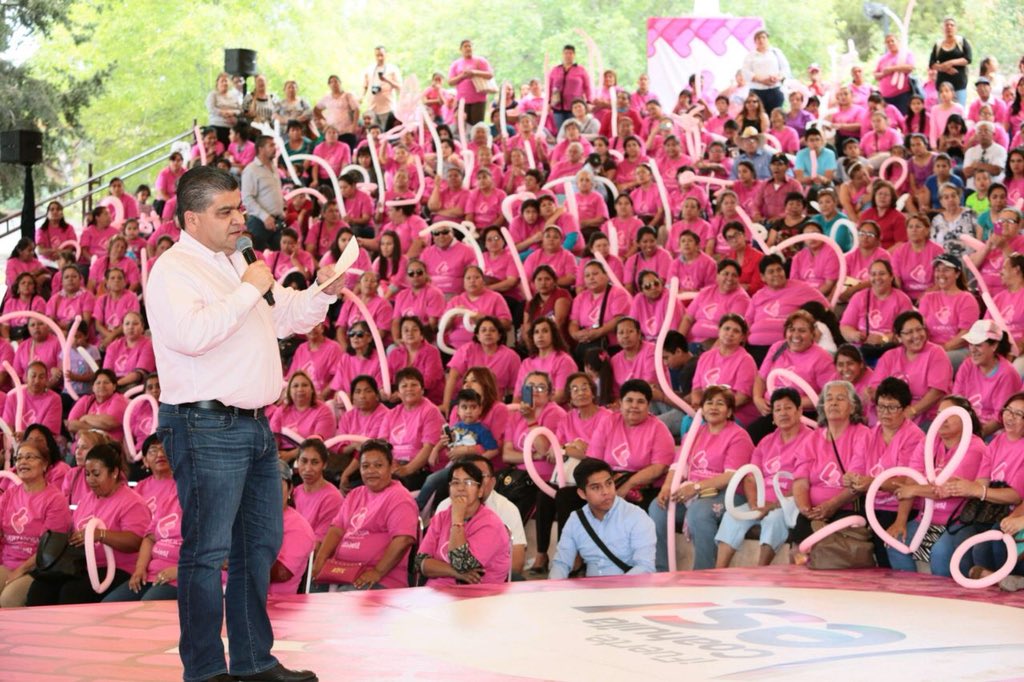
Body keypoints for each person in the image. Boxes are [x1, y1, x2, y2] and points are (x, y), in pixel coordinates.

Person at [147, 167, 344, 682]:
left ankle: (254, 661)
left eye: (239, 207)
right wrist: (249, 290)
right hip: (205, 424)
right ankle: (206, 670)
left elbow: (280, 318)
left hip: (256, 425)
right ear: (192, 218)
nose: (240, 219)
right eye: (225, 212)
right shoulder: (173, 270)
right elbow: (191, 335)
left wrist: (323, 292)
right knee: (207, 553)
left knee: (256, 547)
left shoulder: (240, 260)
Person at [25, 443, 149, 606]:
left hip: (117, 569)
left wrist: (99, 535)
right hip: (81, 565)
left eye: (96, 474)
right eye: (87, 474)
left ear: (114, 472)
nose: (90, 480)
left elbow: (137, 542)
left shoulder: (132, 502)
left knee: (72, 592)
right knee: (40, 589)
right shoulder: (88, 499)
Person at [651, 386, 754, 571]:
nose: (713, 407)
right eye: (709, 402)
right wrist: (667, 487)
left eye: (720, 403)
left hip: (728, 494)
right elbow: (678, 465)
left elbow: (731, 476)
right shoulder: (695, 433)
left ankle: (703, 574)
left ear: (729, 411)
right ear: (702, 408)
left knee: (699, 513)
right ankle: (662, 569)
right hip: (694, 491)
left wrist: (696, 487)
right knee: (658, 508)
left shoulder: (738, 436)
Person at [887, 396, 987, 577]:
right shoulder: (928, 441)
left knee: (940, 553)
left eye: (948, 414)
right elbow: (911, 480)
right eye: (939, 414)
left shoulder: (974, 446)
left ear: (965, 417)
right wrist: (900, 521)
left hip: (959, 521)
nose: (942, 419)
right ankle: (909, 593)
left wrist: (915, 490)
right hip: (925, 518)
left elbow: (950, 488)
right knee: (894, 541)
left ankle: (943, 599)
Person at [715, 387, 811, 568]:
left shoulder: (811, 440)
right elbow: (750, 476)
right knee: (732, 516)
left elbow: (803, 482)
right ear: (773, 416)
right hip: (761, 500)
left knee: (773, 519)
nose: (783, 413)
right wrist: (754, 504)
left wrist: (774, 504)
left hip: (790, 502)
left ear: (799, 411)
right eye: (778, 409)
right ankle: (718, 571)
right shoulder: (766, 441)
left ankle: (761, 569)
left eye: (788, 408)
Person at [791, 381, 872, 556]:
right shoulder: (812, 438)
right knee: (796, 553)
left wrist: (831, 505)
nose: (833, 403)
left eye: (840, 399)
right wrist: (806, 508)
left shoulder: (862, 434)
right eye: (829, 399)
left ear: (852, 408)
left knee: (827, 555)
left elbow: (857, 482)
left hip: (846, 509)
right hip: (813, 510)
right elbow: (800, 481)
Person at [103, 435, 183, 602]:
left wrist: (181, 570)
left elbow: (218, 554)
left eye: (164, 449)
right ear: (145, 461)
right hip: (152, 569)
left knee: (145, 606)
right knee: (109, 605)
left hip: (183, 574)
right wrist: (140, 569)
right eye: (153, 451)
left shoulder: (209, 502)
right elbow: (149, 537)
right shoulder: (163, 496)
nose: (160, 454)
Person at [550, 457, 657, 579]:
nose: (606, 492)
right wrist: (551, 593)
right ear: (582, 494)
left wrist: (612, 592)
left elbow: (645, 567)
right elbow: (561, 564)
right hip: (590, 592)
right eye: (596, 487)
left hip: (628, 592)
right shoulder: (576, 520)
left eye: (609, 483)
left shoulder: (636, 517)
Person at [0, 442, 74, 608]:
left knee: (8, 599)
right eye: (18, 458)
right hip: (7, 562)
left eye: (29, 457)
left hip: (37, 568)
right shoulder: (10, 494)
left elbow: (50, 549)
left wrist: (19, 572)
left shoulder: (55, 500)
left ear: (45, 464)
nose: (22, 462)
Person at [415, 461, 511, 585]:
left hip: (477, 598)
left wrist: (457, 520)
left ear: (480, 490)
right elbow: (420, 562)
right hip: (436, 595)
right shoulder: (441, 518)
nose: (461, 488)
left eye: (468, 482)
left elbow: (462, 565)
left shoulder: (491, 524)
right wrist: (454, 572)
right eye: (455, 482)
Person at [435, 455, 527, 577]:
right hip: (446, 580)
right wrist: (456, 573)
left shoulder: (506, 509)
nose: (476, 482)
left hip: (491, 582)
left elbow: (516, 563)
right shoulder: (445, 505)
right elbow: (425, 559)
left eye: (480, 476)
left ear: (493, 482)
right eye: (469, 478)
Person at [869, 311, 953, 426]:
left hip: (928, 417)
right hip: (893, 415)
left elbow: (936, 392)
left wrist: (912, 411)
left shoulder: (936, 353)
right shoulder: (889, 356)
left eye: (919, 329)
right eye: (909, 332)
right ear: (898, 337)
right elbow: (875, 389)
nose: (916, 335)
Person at [953, 320, 1021, 437]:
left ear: (994, 346)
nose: (973, 350)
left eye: (978, 344)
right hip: (967, 426)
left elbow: (1000, 418)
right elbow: (956, 401)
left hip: (992, 433)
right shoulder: (967, 365)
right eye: (970, 344)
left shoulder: (1007, 374)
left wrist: (975, 436)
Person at [240, 135, 286, 251]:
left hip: (277, 221)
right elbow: (247, 198)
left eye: (274, 145)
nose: (274, 148)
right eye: (271, 145)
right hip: (259, 222)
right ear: (260, 149)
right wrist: (264, 216)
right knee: (258, 258)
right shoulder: (251, 170)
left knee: (277, 259)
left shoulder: (274, 168)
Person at [741, 29, 791, 114]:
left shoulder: (776, 52)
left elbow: (785, 69)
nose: (761, 40)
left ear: (767, 39)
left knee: (775, 114)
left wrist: (777, 78)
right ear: (755, 41)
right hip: (757, 91)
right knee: (758, 116)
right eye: (758, 38)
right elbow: (746, 73)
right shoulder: (750, 55)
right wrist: (762, 80)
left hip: (774, 89)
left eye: (763, 37)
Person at [448, 39, 494, 126]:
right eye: (465, 46)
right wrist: (462, 76)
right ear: (460, 49)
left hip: (479, 99)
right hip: (462, 100)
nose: (468, 48)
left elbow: (490, 74)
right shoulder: (456, 64)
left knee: (477, 126)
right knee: (463, 126)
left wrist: (474, 72)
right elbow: (450, 82)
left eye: (470, 46)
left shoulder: (480, 61)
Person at [928, 17, 973, 107]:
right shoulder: (938, 44)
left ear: (956, 28)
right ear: (943, 29)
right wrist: (943, 68)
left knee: (959, 112)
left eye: (952, 25)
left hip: (959, 85)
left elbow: (968, 59)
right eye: (946, 25)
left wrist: (951, 63)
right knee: (943, 112)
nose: (949, 27)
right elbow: (931, 63)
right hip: (942, 85)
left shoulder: (961, 42)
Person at [363, 46, 402, 131]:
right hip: (372, 107)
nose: (380, 58)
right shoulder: (369, 69)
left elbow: (400, 87)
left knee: (386, 132)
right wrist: (361, 97)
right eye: (377, 55)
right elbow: (365, 86)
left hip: (387, 108)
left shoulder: (393, 69)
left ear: (386, 55)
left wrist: (387, 80)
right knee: (374, 132)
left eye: (382, 55)